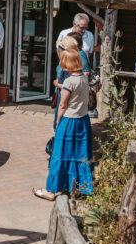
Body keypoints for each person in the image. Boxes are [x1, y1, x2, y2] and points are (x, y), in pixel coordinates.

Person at [34, 49, 93, 201]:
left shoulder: (69, 81)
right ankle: (81, 187)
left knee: (59, 154)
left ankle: (51, 190)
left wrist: (58, 121)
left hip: (69, 120)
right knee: (79, 154)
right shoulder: (84, 78)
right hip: (83, 120)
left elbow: (62, 104)